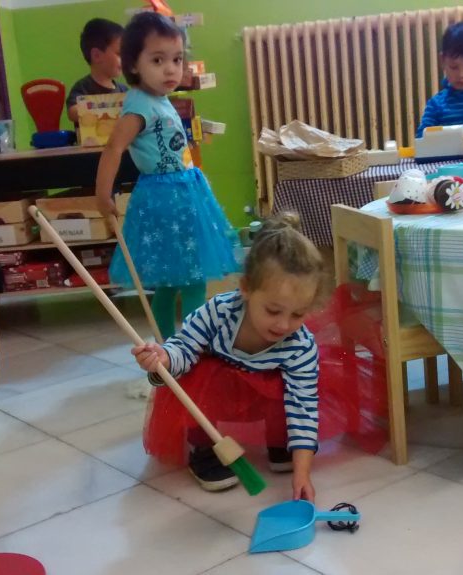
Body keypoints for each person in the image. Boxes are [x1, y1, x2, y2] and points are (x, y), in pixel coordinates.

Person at [132, 213, 324, 498]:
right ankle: (205, 449)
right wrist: (163, 359)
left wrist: (303, 473)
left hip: (264, 395)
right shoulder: (219, 312)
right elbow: (184, 347)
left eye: (297, 314)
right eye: (273, 310)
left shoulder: (300, 345)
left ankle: (280, 441)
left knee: (289, 392)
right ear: (246, 289)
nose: (284, 325)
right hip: (218, 392)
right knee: (196, 378)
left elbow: (304, 406)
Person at [94, 12, 237, 340]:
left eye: (177, 59)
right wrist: (102, 194)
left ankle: (167, 346)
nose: (171, 69)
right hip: (167, 199)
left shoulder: (157, 99)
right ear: (133, 65)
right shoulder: (139, 107)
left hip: (182, 194)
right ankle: (190, 347)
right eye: (158, 60)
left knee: (172, 281)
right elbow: (114, 147)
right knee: (192, 279)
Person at [66, 18, 129, 125]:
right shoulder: (83, 87)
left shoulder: (123, 90)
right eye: (119, 54)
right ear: (97, 56)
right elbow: (72, 112)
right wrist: (103, 110)